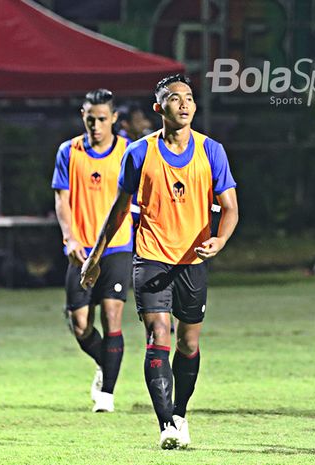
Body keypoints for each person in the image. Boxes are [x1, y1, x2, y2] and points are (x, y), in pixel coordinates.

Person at [80, 74, 239, 449]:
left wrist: (220, 238)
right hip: (151, 257)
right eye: (174, 98)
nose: (184, 103)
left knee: (188, 341)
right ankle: (166, 423)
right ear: (159, 107)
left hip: (193, 260)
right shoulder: (139, 153)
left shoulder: (211, 150)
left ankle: (180, 412)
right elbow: (119, 210)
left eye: (189, 97)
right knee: (158, 336)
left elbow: (230, 208)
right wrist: (95, 256)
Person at [51, 89, 133, 412]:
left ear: (114, 118)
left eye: (102, 119)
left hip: (116, 246)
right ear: (82, 116)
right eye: (90, 119)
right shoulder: (68, 152)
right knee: (81, 324)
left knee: (113, 316)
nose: (96, 125)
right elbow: (62, 200)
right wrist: (69, 239)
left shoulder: (129, 151)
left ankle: (107, 394)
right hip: (81, 250)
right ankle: (106, 363)